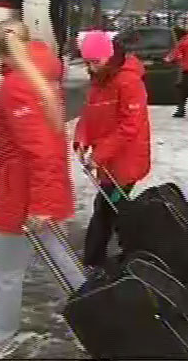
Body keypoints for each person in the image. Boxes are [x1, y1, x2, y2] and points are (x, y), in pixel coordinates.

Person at [0, 19, 84, 359]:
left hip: (25, 196)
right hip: (43, 188)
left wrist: (40, 205)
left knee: (8, 272)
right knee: (61, 262)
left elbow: (38, 149)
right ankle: (101, 314)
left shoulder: (17, 86)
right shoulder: (42, 73)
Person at [73, 31, 151, 270]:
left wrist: (98, 155)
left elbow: (130, 125)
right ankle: (127, 249)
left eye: (95, 62)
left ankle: (93, 261)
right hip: (107, 161)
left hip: (126, 160)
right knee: (114, 208)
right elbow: (89, 113)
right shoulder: (100, 80)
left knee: (105, 209)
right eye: (87, 63)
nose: (91, 68)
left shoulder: (128, 82)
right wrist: (81, 139)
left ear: (109, 56)